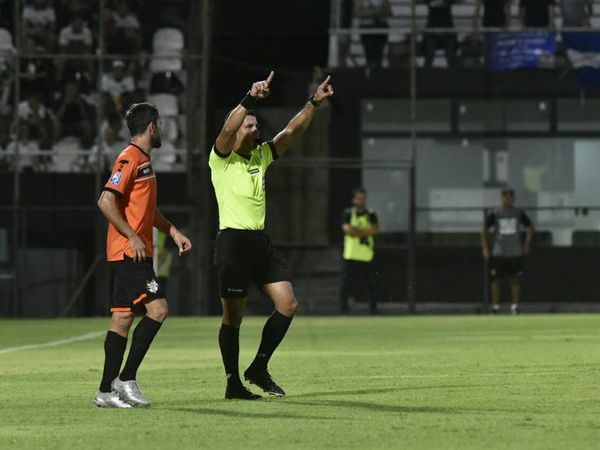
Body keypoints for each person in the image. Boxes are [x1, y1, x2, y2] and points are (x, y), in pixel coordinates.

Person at [209, 71, 333, 400]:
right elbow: (225, 129)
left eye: (254, 125)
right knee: (233, 318)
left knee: (288, 304)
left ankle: (258, 367)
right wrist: (249, 98)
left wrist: (314, 102)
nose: (254, 128)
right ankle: (233, 382)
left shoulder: (261, 155)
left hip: (260, 244)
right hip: (232, 243)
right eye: (248, 125)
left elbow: (292, 131)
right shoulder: (221, 158)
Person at [94, 102, 192, 408]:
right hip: (129, 253)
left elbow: (146, 211)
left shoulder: (143, 161)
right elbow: (105, 201)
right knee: (158, 309)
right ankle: (126, 379)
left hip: (132, 252)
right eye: (159, 125)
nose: (160, 129)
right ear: (151, 127)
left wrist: (172, 231)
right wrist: (133, 236)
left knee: (122, 318)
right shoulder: (129, 158)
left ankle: (105, 392)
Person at [482, 188, 534, 315]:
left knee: (515, 279)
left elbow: (529, 226)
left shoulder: (518, 213)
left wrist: (527, 242)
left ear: (513, 199)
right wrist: (485, 247)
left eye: (511, 197)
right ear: (502, 198)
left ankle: (515, 306)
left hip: (515, 252)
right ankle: (495, 307)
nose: (508, 200)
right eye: (506, 197)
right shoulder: (495, 213)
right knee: (496, 280)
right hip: (499, 252)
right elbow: (484, 229)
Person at [339, 188, 380, 314]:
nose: (361, 201)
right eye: (358, 198)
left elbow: (375, 230)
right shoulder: (348, 213)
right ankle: (344, 309)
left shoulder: (371, 214)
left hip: (367, 255)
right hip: (351, 255)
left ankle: (373, 309)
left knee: (371, 284)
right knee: (346, 284)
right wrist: (364, 232)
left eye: (363, 198)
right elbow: (347, 230)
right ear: (353, 200)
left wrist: (356, 231)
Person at [354, 0, 392, 69]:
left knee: (378, 55)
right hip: (366, 28)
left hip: (380, 28)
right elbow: (357, 12)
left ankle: (377, 71)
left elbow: (389, 12)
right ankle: (371, 70)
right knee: (369, 54)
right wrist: (375, 12)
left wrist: (372, 13)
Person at [422, 0, 457, 68]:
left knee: (451, 57)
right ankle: (426, 77)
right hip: (433, 29)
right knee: (429, 56)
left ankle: (454, 76)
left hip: (446, 29)